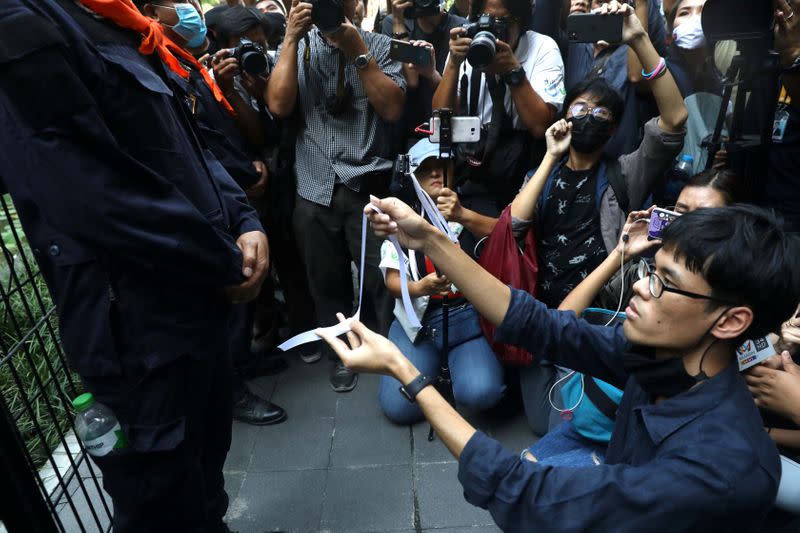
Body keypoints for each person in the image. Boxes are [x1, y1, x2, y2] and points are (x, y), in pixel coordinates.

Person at [332, 194, 800, 531]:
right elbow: (543, 325)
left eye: (664, 284)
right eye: (650, 272)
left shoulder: (721, 470)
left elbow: (526, 493)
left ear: (731, 320)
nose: (639, 287)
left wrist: (406, 372)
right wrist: (431, 240)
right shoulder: (664, 360)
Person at [0, 0, 271, 530]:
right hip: (142, 337)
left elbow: (185, 143)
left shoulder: (112, 19)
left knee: (205, 482)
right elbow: (88, 190)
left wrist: (243, 220)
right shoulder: (22, 21)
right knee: (162, 504)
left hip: (196, 308)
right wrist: (221, 259)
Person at [135, 0, 288, 426]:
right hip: (208, 199)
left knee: (243, 285)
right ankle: (231, 388)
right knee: (229, 289)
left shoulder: (181, 61)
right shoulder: (158, 62)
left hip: (228, 192)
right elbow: (197, 139)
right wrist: (240, 173)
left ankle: (241, 362)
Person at [267, 0, 406, 391]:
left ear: (357, 7)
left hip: (368, 184)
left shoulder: (378, 44)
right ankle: (342, 353)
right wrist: (291, 38)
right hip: (314, 186)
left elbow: (393, 109)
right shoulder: (298, 46)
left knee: (381, 279)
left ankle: (385, 350)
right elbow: (278, 104)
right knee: (325, 283)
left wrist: (356, 51)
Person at [377, 139, 505, 424]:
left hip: (468, 317)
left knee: (482, 393)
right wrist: (420, 287)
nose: (435, 174)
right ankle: (433, 370)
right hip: (419, 322)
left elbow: (506, 234)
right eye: (426, 169)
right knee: (399, 408)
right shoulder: (399, 217)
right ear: (412, 176)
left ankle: (457, 370)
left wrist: (463, 215)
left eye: (441, 167)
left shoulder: (470, 205)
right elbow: (392, 281)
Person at [432, 0, 565, 212]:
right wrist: (453, 64)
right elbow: (440, 116)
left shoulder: (542, 48)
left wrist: (513, 71)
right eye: (486, 21)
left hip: (520, 168)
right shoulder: (468, 44)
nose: (493, 30)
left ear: (520, 21)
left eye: (502, 22)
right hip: (470, 163)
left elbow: (540, 126)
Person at [380, 0, 466, 149]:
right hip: (407, 133)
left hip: (448, 131)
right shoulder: (393, 23)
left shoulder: (459, 29)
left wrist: (432, 74)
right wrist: (399, 22)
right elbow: (410, 80)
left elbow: (460, 104)